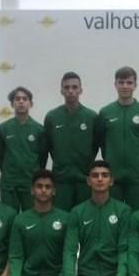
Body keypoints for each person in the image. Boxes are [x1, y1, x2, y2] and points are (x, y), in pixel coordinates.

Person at [96, 66, 139, 210]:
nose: (125, 86)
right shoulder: (105, 113)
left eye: (129, 82)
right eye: (121, 82)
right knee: (112, 216)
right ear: (115, 84)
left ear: (135, 85)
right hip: (113, 178)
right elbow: (102, 143)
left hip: (137, 177)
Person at [44, 72, 98, 211]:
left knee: (85, 219)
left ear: (81, 90)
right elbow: (48, 147)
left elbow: (96, 145)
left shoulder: (91, 117)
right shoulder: (52, 117)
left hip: (84, 179)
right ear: (61, 90)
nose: (71, 91)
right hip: (61, 180)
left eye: (74, 87)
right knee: (61, 221)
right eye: (67, 87)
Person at [0, 86, 48, 212]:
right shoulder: (3, 129)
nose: (21, 101)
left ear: (31, 103)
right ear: (12, 104)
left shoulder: (39, 130)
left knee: (30, 219)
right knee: (8, 219)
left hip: (30, 183)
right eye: (17, 99)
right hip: (9, 183)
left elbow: (43, 157)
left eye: (25, 99)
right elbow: (0, 155)